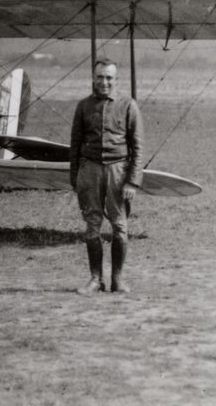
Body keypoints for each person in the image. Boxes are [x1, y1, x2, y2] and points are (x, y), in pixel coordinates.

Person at [68, 58, 144, 294]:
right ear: (93, 78)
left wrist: (132, 181)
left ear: (116, 80)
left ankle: (118, 279)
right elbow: (75, 144)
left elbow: (138, 147)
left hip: (118, 172)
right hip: (89, 171)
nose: (104, 82)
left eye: (109, 77)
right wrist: (76, 178)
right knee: (92, 226)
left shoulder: (128, 105)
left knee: (120, 227)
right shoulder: (83, 106)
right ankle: (95, 279)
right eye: (100, 77)